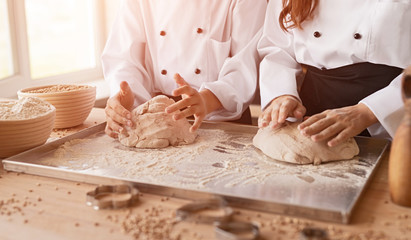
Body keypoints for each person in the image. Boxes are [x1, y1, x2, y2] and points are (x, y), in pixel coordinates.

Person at [102, 0, 267, 138]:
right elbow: (124, 58)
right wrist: (126, 101)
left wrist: (208, 99)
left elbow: (245, 64)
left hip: (221, 120)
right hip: (156, 121)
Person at [258, 0, 411, 147]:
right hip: (310, 113)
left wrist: (370, 111)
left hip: (389, 116)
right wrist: (282, 94)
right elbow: (278, 48)